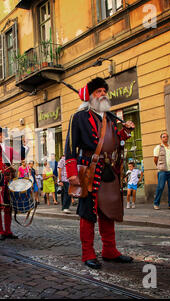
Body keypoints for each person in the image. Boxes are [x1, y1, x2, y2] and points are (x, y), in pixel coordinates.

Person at [65, 77, 135, 269]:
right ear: (90, 97)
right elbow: (70, 147)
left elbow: (114, 143)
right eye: (98, 91)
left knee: (108, 211)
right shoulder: (79, 117)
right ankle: (88, 253)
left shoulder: (110, 118)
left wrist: (125, 132)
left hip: (108, 169)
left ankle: (109, 250)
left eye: (104, 91)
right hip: (89, 169)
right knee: (88, 213)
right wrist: (72, 173)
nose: (103, 94)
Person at [0, 126, 20, 241]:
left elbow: (17, 162)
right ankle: (0, 231)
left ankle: (8, 230)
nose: (0, 136)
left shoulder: (10, 149)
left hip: (9, 181)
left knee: (9, 206)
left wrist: (15, 172)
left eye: (1, 134)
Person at [153, 132, 170, 210]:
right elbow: (155, 159)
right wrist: (159, 166)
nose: (165, 138)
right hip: (162, 171)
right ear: (161, 138)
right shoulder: (158, 148)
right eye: (163, 137)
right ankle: (156, 203)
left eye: (166, 137)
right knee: (160, 187)